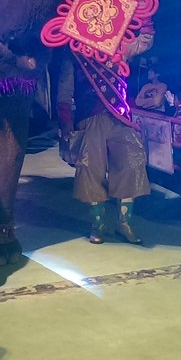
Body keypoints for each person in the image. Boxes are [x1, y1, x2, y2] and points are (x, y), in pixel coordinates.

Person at [57, 30, 153, 245]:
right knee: (91, 170)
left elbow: (143, 42)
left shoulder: (117, 44)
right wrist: (65, 119)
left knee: (131, 164)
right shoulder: (75, 51)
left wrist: (146, 21)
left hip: (120, 116)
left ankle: (124, 224)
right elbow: (65, 89)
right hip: (90, 118)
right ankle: (98, 225)